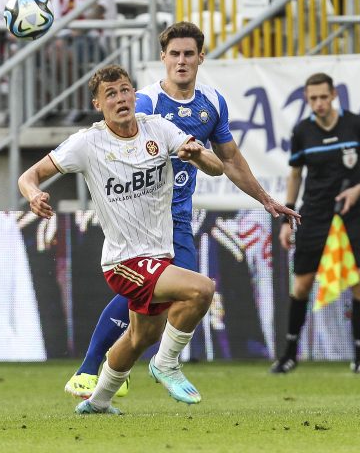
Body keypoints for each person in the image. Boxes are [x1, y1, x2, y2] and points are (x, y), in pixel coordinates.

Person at [63, 21, 300, 399]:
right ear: (163, 59)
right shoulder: (147, 102)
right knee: (172, 289)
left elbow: (231, 159)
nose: (181, 60)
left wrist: (266, 199)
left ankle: (105, 374)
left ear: (200, 58)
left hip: (179, 217)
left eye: (189, 53)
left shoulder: (212, 103)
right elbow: (108, 133)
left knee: (153, 304)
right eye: (174, 54)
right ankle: (109, 367)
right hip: (143, 219)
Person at [20, 64, 225, 414]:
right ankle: (166, 364)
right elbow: (30, 175)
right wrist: (33, 194)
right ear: (98, 104)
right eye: (110, 94)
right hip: (123, 262)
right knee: (201, 289)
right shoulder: (87, 142)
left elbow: (216, 166)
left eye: (125, 90)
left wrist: (198, 155)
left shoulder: (158, 129)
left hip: (160, 256)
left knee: (138, 337)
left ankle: (97, 402)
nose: (121, 98)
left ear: (134, 94)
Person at [271, 72, 360, 375]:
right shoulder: (302, 132)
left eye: (324, 97)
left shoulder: (354, 124)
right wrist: (287, 218)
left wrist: (359, 187)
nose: (319, 103)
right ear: (307, 99)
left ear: (334, 94)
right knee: (303, 285)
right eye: (313, 99)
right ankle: (289, 355)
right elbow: (295, 175)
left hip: (352, 214)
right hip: (315, 215)